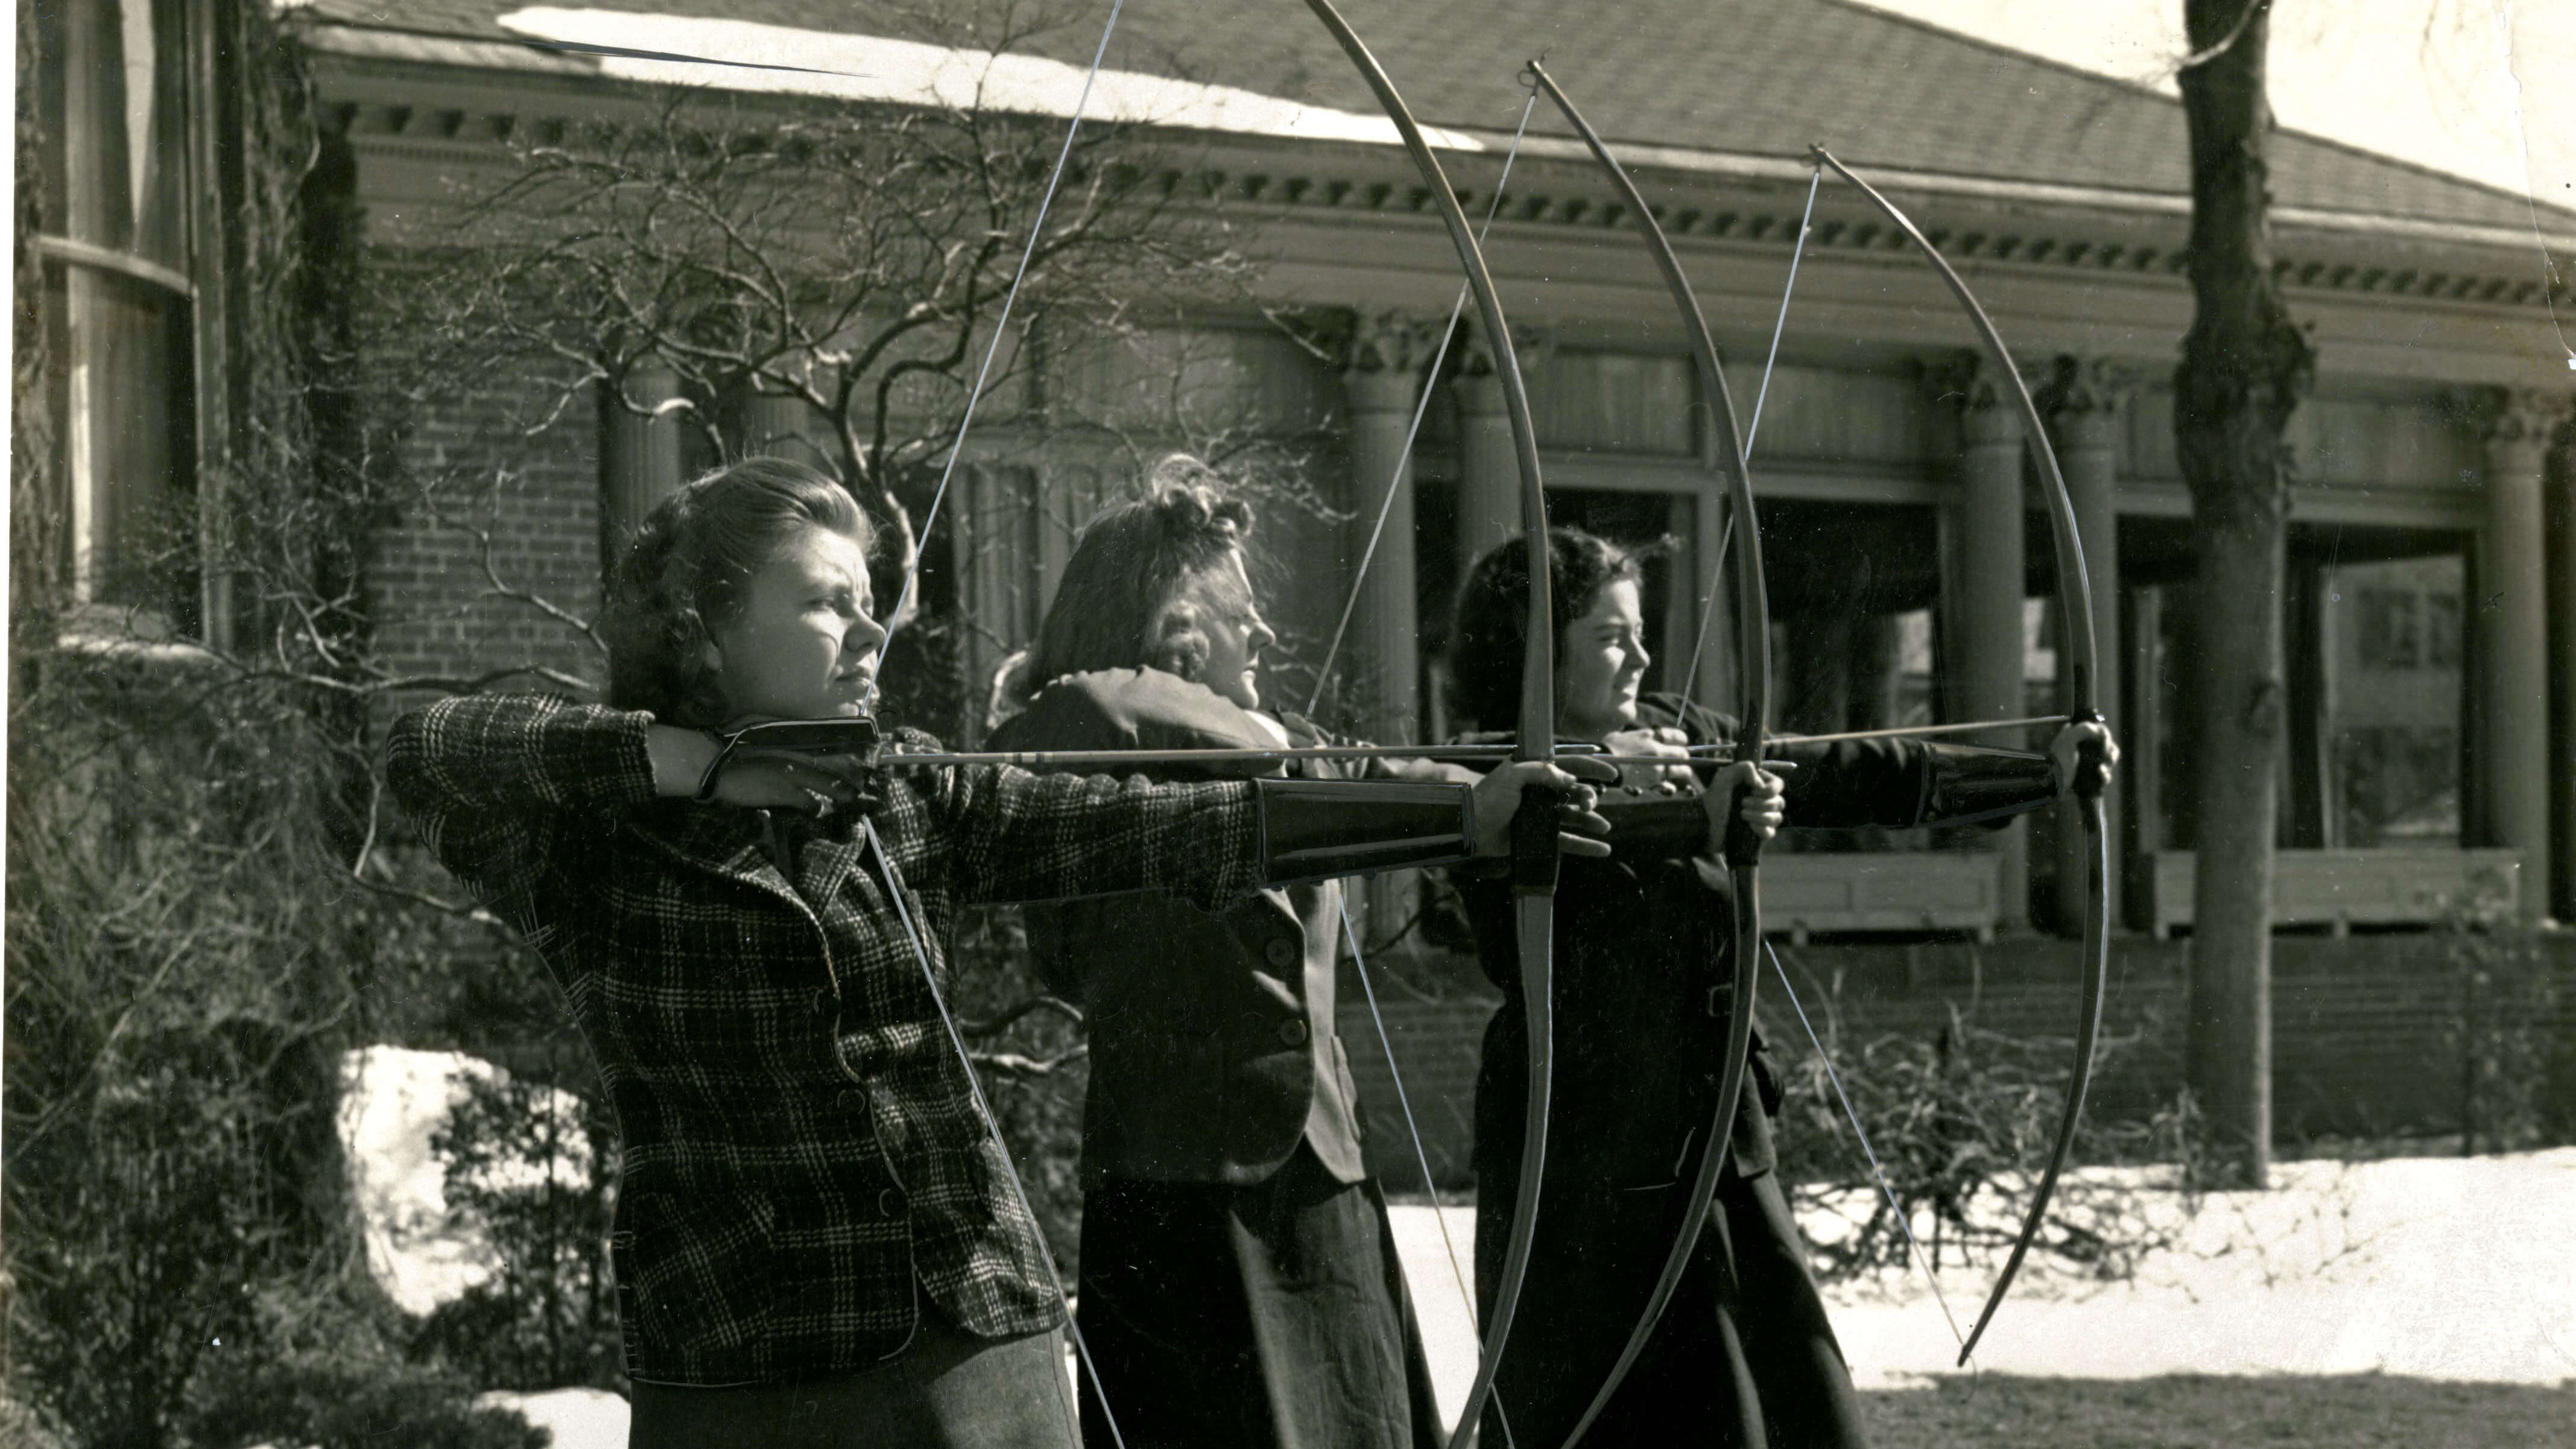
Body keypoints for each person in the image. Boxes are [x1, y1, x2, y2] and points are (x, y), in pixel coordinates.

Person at [385, 457, 1615, 1449]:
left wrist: (1462, 813)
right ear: (702, 626)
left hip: (978, 1348)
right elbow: (413, 748)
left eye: (872, 603)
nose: (868, 635)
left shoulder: (898, 791)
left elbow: (1173, 819)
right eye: (824, 601)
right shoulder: (594, 844)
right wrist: (683, 762)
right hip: (742, 1363)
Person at [1440, 527, 2118, 1449]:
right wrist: (1687, 820)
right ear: (1533, 648)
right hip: (1584, 1177)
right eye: (1609, 636)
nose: (1641, 654)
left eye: (1640, 632)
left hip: (1720, 1149)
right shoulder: (1488, 780)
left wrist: (2041, 772)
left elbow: (1853, 773)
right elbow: (1558, 917)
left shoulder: (1682, 735)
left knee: (1788, 1407)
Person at [985, 459, 1500, 1449]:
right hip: (1188, 1198)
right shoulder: (1086, 719)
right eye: (1239, 610)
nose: (1264, 632)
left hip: (1322, 1182)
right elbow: (1083, 703)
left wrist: (1495, 804)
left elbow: (1396, 778)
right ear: (1175, 620)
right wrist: (1266, 737)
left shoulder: (1279, 741)